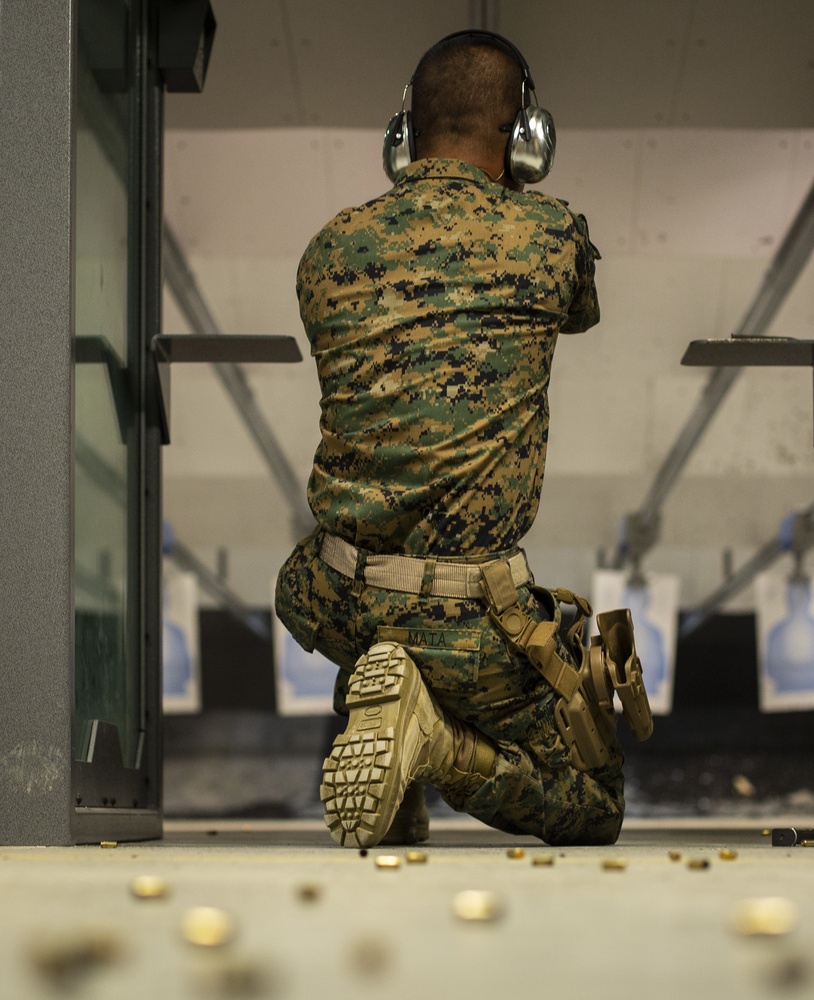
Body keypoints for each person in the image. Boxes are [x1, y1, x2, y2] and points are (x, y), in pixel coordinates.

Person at [276, 30, 643, 849]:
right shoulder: (550, 235)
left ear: (402, 134)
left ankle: (386, 705)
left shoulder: (329, 248)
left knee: (351, 596)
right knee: (593, 802)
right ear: (528, 137)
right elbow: (581, 311)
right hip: (465, 609)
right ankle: (434, 745)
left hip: (332, 590)